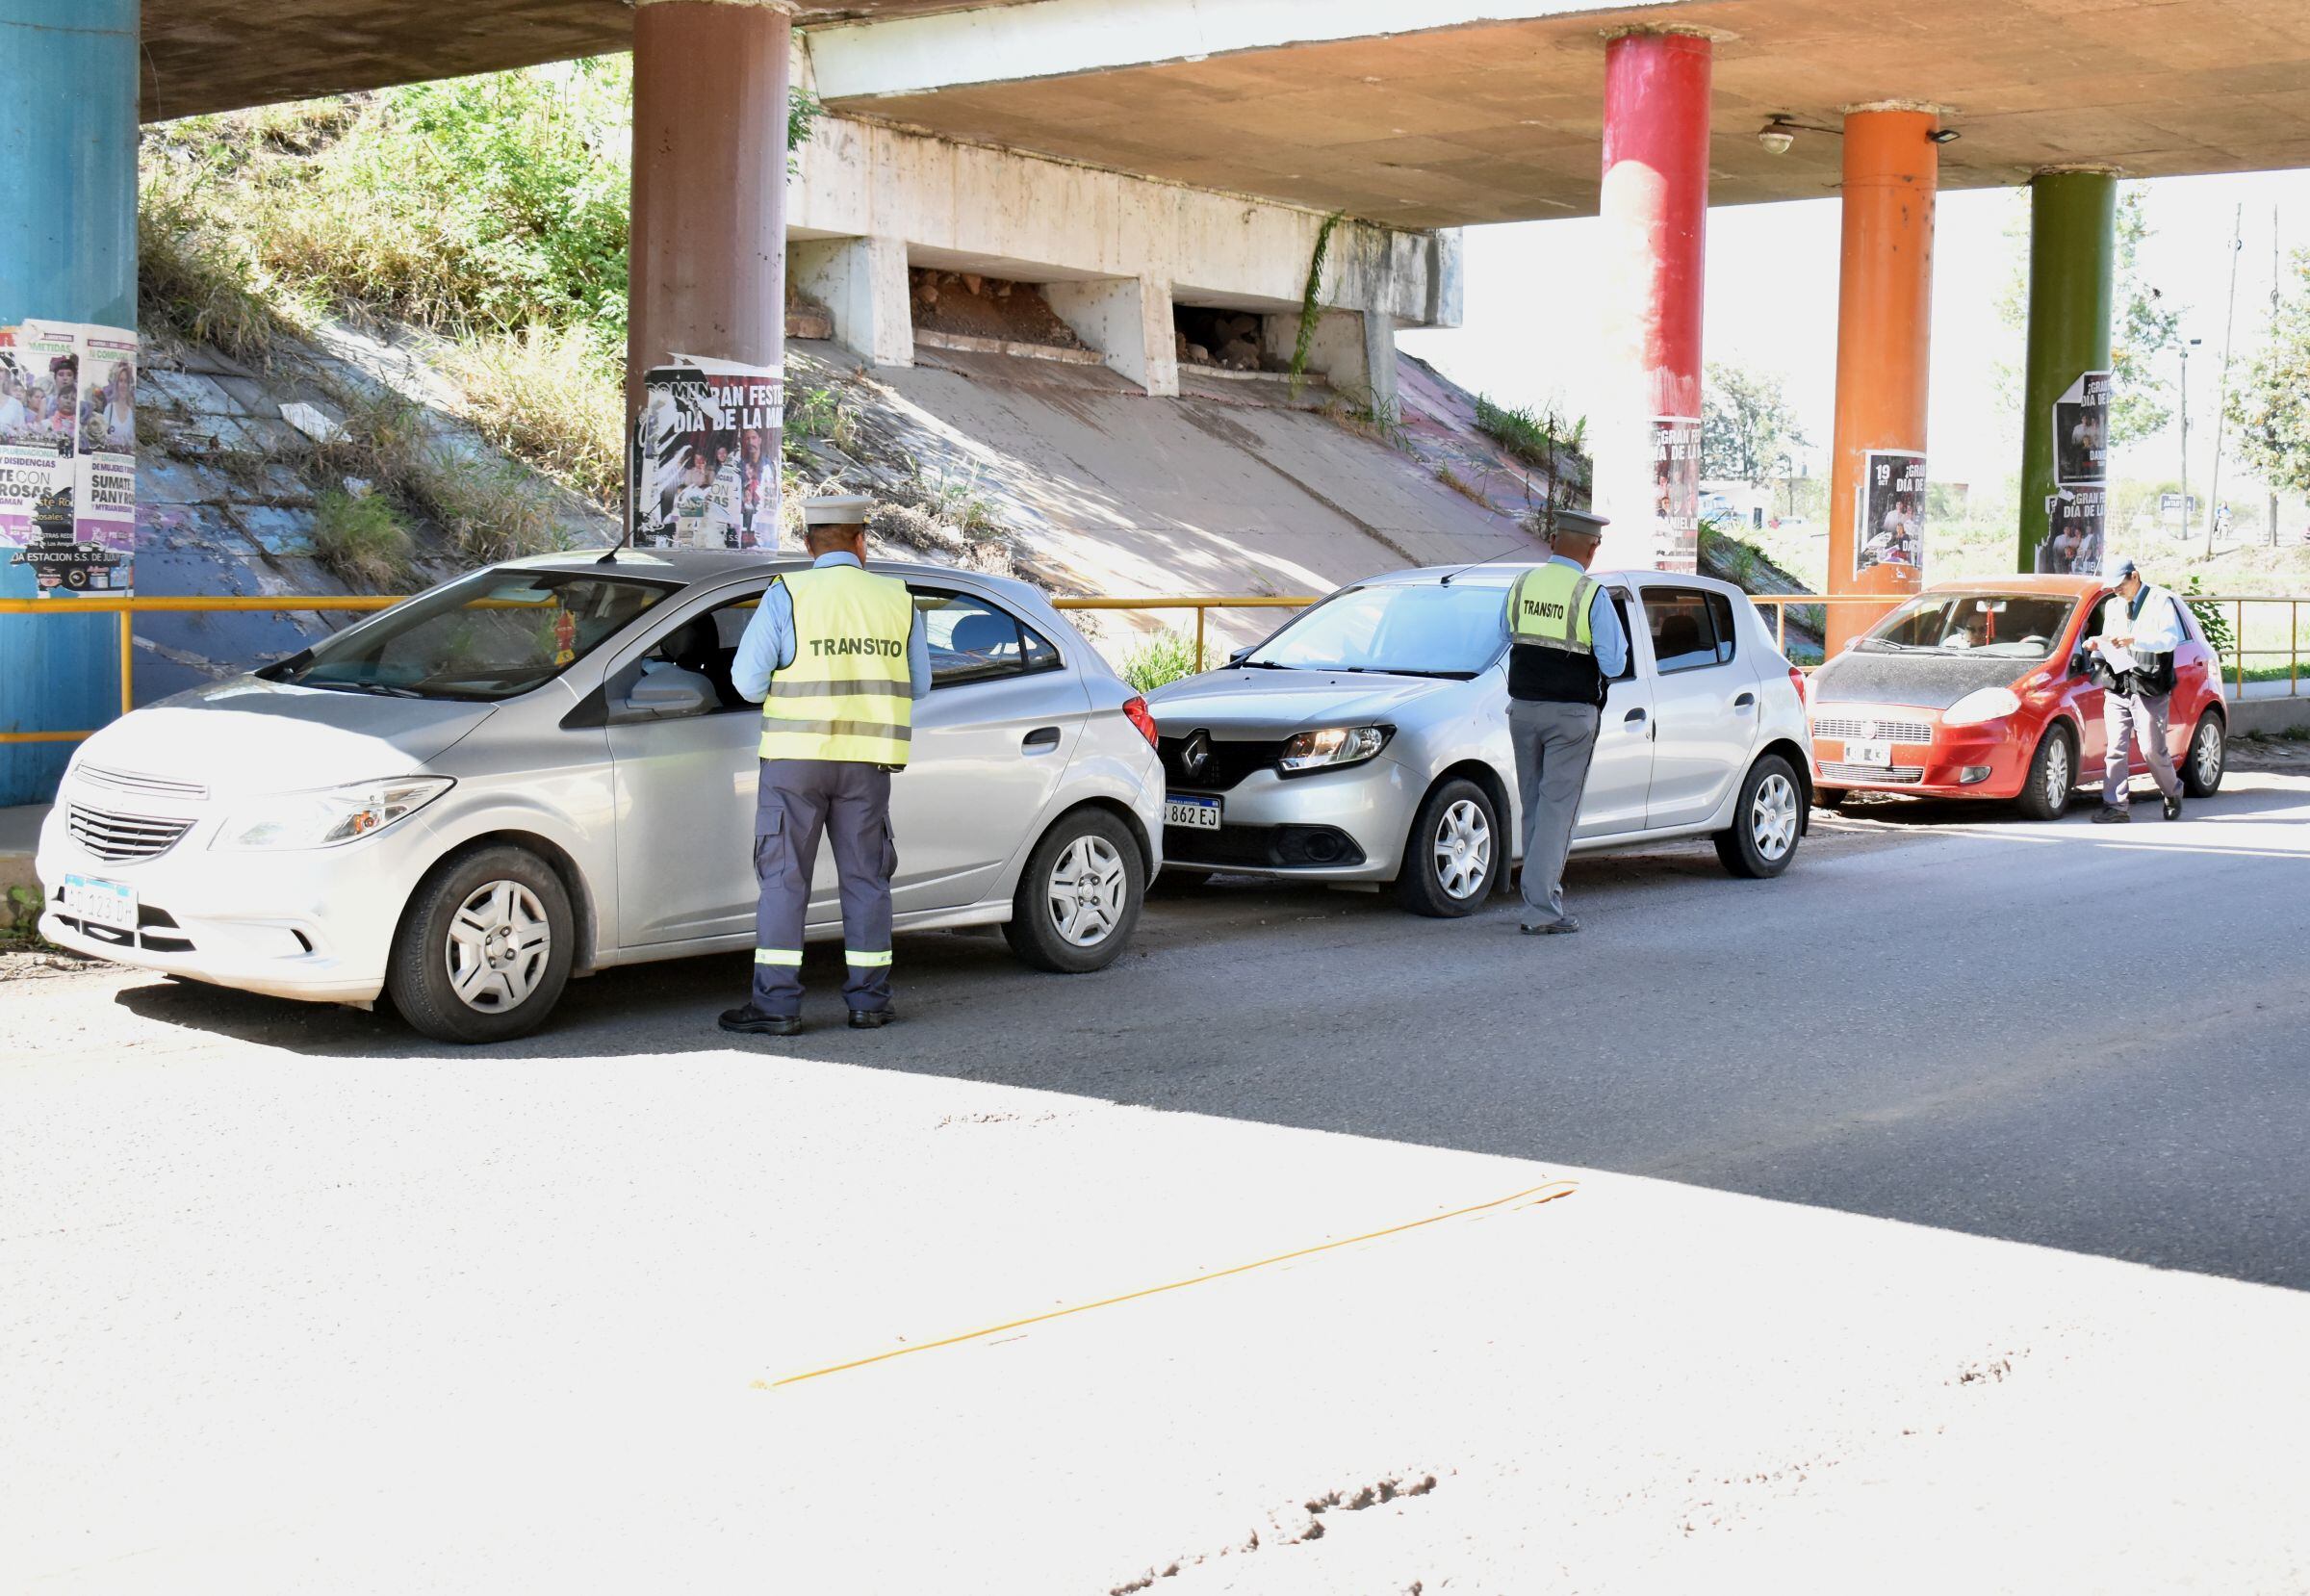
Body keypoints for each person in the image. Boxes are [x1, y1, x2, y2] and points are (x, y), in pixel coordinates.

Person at [720, 494, 931, 1037]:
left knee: (785, 880)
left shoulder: (787, 593)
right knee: (866, 880)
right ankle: (869, 1001)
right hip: (867, 766)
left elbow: (745, 683)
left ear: (808, 545)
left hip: (795, 763)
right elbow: (921, 684)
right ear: (863, 542)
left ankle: (777, 1006)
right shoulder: (897, 598)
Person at [1504, 508, 1628, 936]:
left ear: (1554, 541)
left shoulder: (1521, 585)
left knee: (1535, 807)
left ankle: (1536, 898)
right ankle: (1542, 910)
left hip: (1522, 711)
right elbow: (1613, 663)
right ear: (1592, 548)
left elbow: (1505, 634)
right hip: (1571, 716)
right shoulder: (1591, 594)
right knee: (1558, 810)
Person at [2085, 558, 2187, 823]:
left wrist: (2135, 640)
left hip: (2150, 684)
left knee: (2152, 749)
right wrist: (2097, 643)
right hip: (2118, 683)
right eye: (2113, 587)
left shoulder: (2160, 600)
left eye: (2120, 585)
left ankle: (2173, 791)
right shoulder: (2113, 605)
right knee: (2115, 748)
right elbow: (2109, 638)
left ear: (2135, 577)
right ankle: (2116, 807)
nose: (2117, 591)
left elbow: (2169, 639)